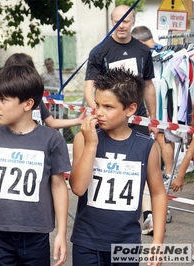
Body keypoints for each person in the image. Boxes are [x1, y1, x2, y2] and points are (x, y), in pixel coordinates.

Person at [0, 65, 70, 266]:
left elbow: (59, 186)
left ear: (27, 104)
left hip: (36, 234)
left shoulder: (51, 140)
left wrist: (61, 232)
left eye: (3, 100)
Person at [69, 68, 167, 266]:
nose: (99, 112)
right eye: (97, 105)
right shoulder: (84, 139)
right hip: (87, 242)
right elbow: (78, 188)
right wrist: (91, 145)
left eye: (108, 107)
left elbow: (157, 194)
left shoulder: (146, 146)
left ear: (130, 109)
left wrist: (158, 241)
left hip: (127, 244)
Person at [84, 5, 159, 236]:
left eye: (126, 21)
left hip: (138, 119)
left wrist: (153, 119)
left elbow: (148, 86)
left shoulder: (143, 52)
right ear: (112, 21)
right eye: (117, 21)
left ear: (133, 22)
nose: (122, 25)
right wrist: (99, 110)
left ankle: (147, 215)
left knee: (142, 166)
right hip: (110, 119)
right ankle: (109, 212)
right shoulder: (100, 51)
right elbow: (90, 87)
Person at [131, 25, 175, 235]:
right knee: (158, 146)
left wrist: (153, 115)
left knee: (157, 146)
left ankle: (166, 178)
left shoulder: (154, 54)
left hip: (160, 107)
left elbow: (149, 84)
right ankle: (166, 178)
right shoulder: (158, 52)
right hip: (159, 108)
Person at [4, 53, 86, 129]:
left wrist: (77, 120)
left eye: (25, 74)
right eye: (16, 74)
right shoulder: (4, 103)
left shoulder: (36, 100)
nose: (21, 79)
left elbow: (52, 122)